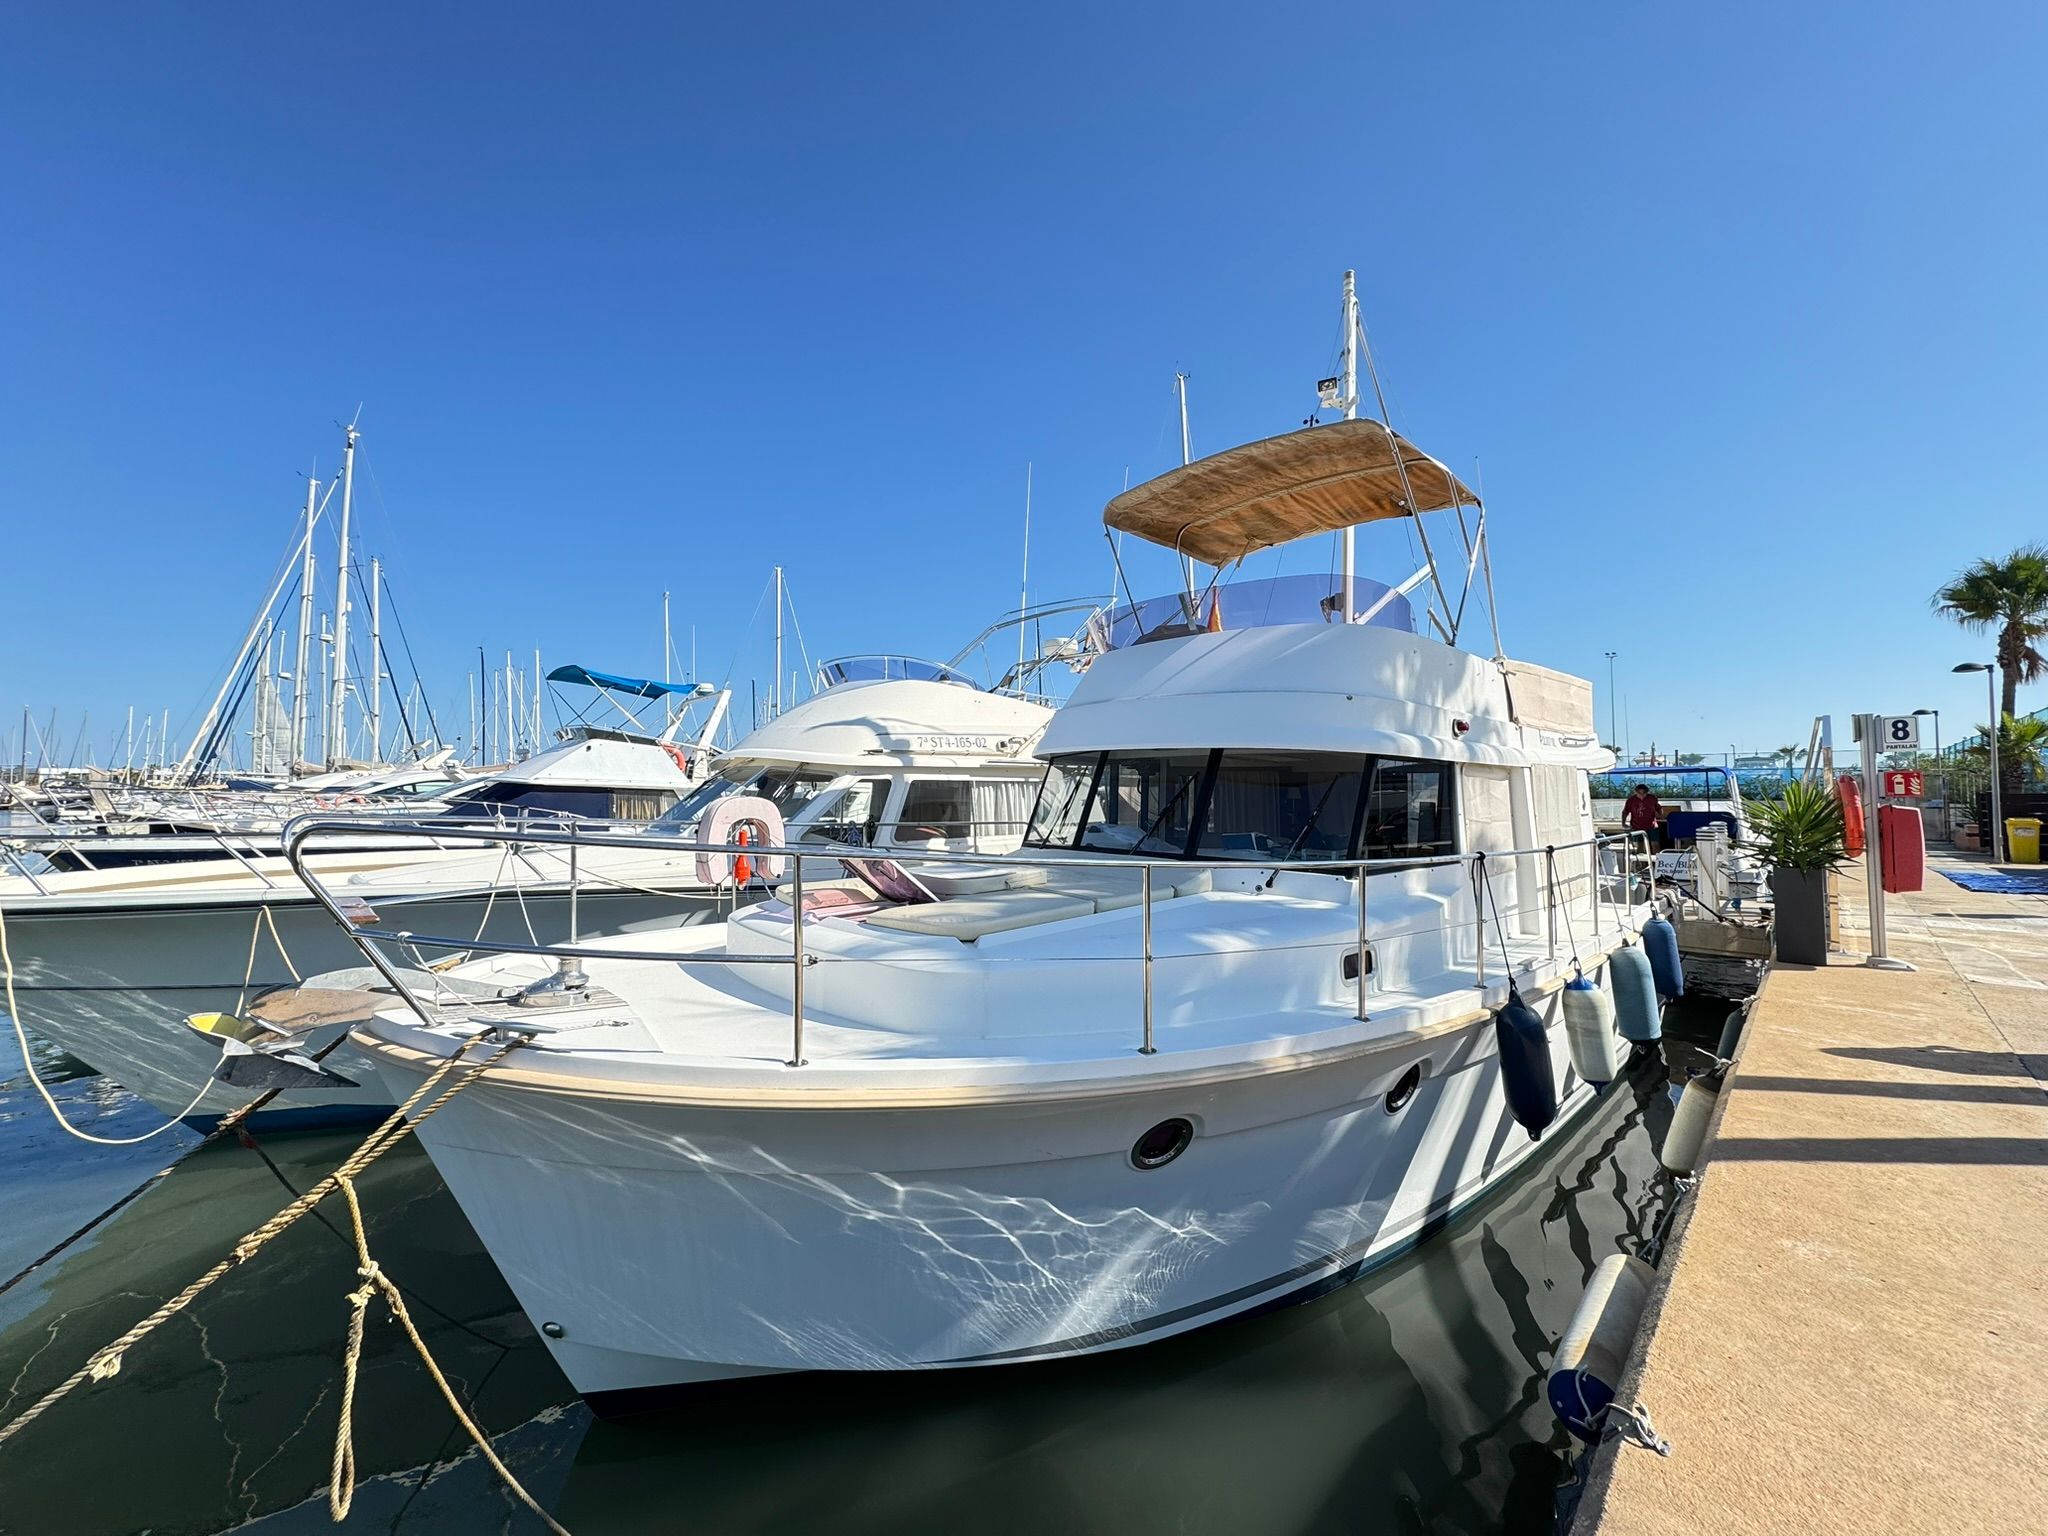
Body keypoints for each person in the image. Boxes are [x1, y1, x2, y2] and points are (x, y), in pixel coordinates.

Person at [1622, 783, 1665, 849]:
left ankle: (1657, 858)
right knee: (1639, 846)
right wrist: (1623, 823)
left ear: (1647, 792)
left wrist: (1661, 815)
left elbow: (1659, 808)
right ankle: (1640, 858)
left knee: (1655, 844)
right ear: (1636, 792)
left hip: (1652, 826)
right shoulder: (1631, 800)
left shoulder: (1652, 798)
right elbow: (1625, 812)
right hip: (1637, 826)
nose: (1642, 795)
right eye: (1639, 793)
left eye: (1644, 793)